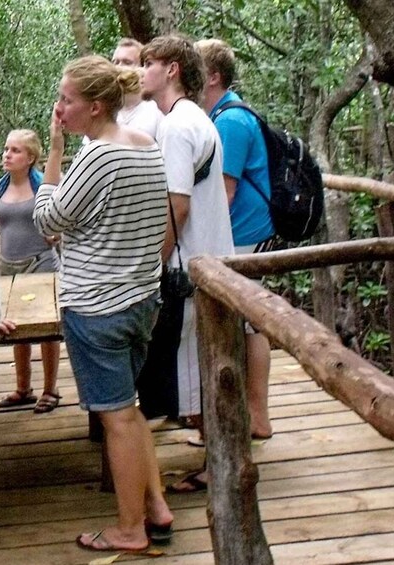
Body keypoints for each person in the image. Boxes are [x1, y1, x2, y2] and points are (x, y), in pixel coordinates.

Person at [34, 55, 174, 553]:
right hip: (140, 300)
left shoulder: (98, 156)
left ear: (95, 107)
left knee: (115, 419)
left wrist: (53, 151)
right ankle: (156, 505)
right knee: (129, 411)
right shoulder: (146, 146)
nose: (59, 108)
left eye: (67, 100)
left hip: (98, 306)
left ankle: (130, 529)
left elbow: (47, 220)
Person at [140, 35, 235, 490]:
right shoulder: (190, 119)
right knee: (199, 366)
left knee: (194, 373)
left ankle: (218, 467)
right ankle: (217, 463)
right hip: (206, 258)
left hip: (189, 264)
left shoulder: (178, 126)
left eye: (149, 63)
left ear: (173, 69)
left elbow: (176, 206)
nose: (142, 71)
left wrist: (150, 265)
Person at [197, 38, 274, 441]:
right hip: (238, 233)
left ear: (212, 76)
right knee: (244, 323)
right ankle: (245, 411)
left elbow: (223, 193)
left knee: (248, 324)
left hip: (245, 235)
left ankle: (256, 415)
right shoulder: (221, 116)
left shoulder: (230, 121)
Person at [0, 129, 62, 414]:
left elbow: (58, 221)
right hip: (9, 265)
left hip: (40, 263)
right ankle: (23, 387)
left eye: (15, 150)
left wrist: (54, 236)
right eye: (7, 149)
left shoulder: (42, 186)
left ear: (31, 157)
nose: (7, 155)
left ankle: (51, 389)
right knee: (15, 326)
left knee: (47, 330)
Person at [111, 38, 164, 138]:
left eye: (127, 63)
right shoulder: (105, 110)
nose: (119, 67)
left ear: (142, 67)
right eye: (115, 62)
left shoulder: (156, 111)